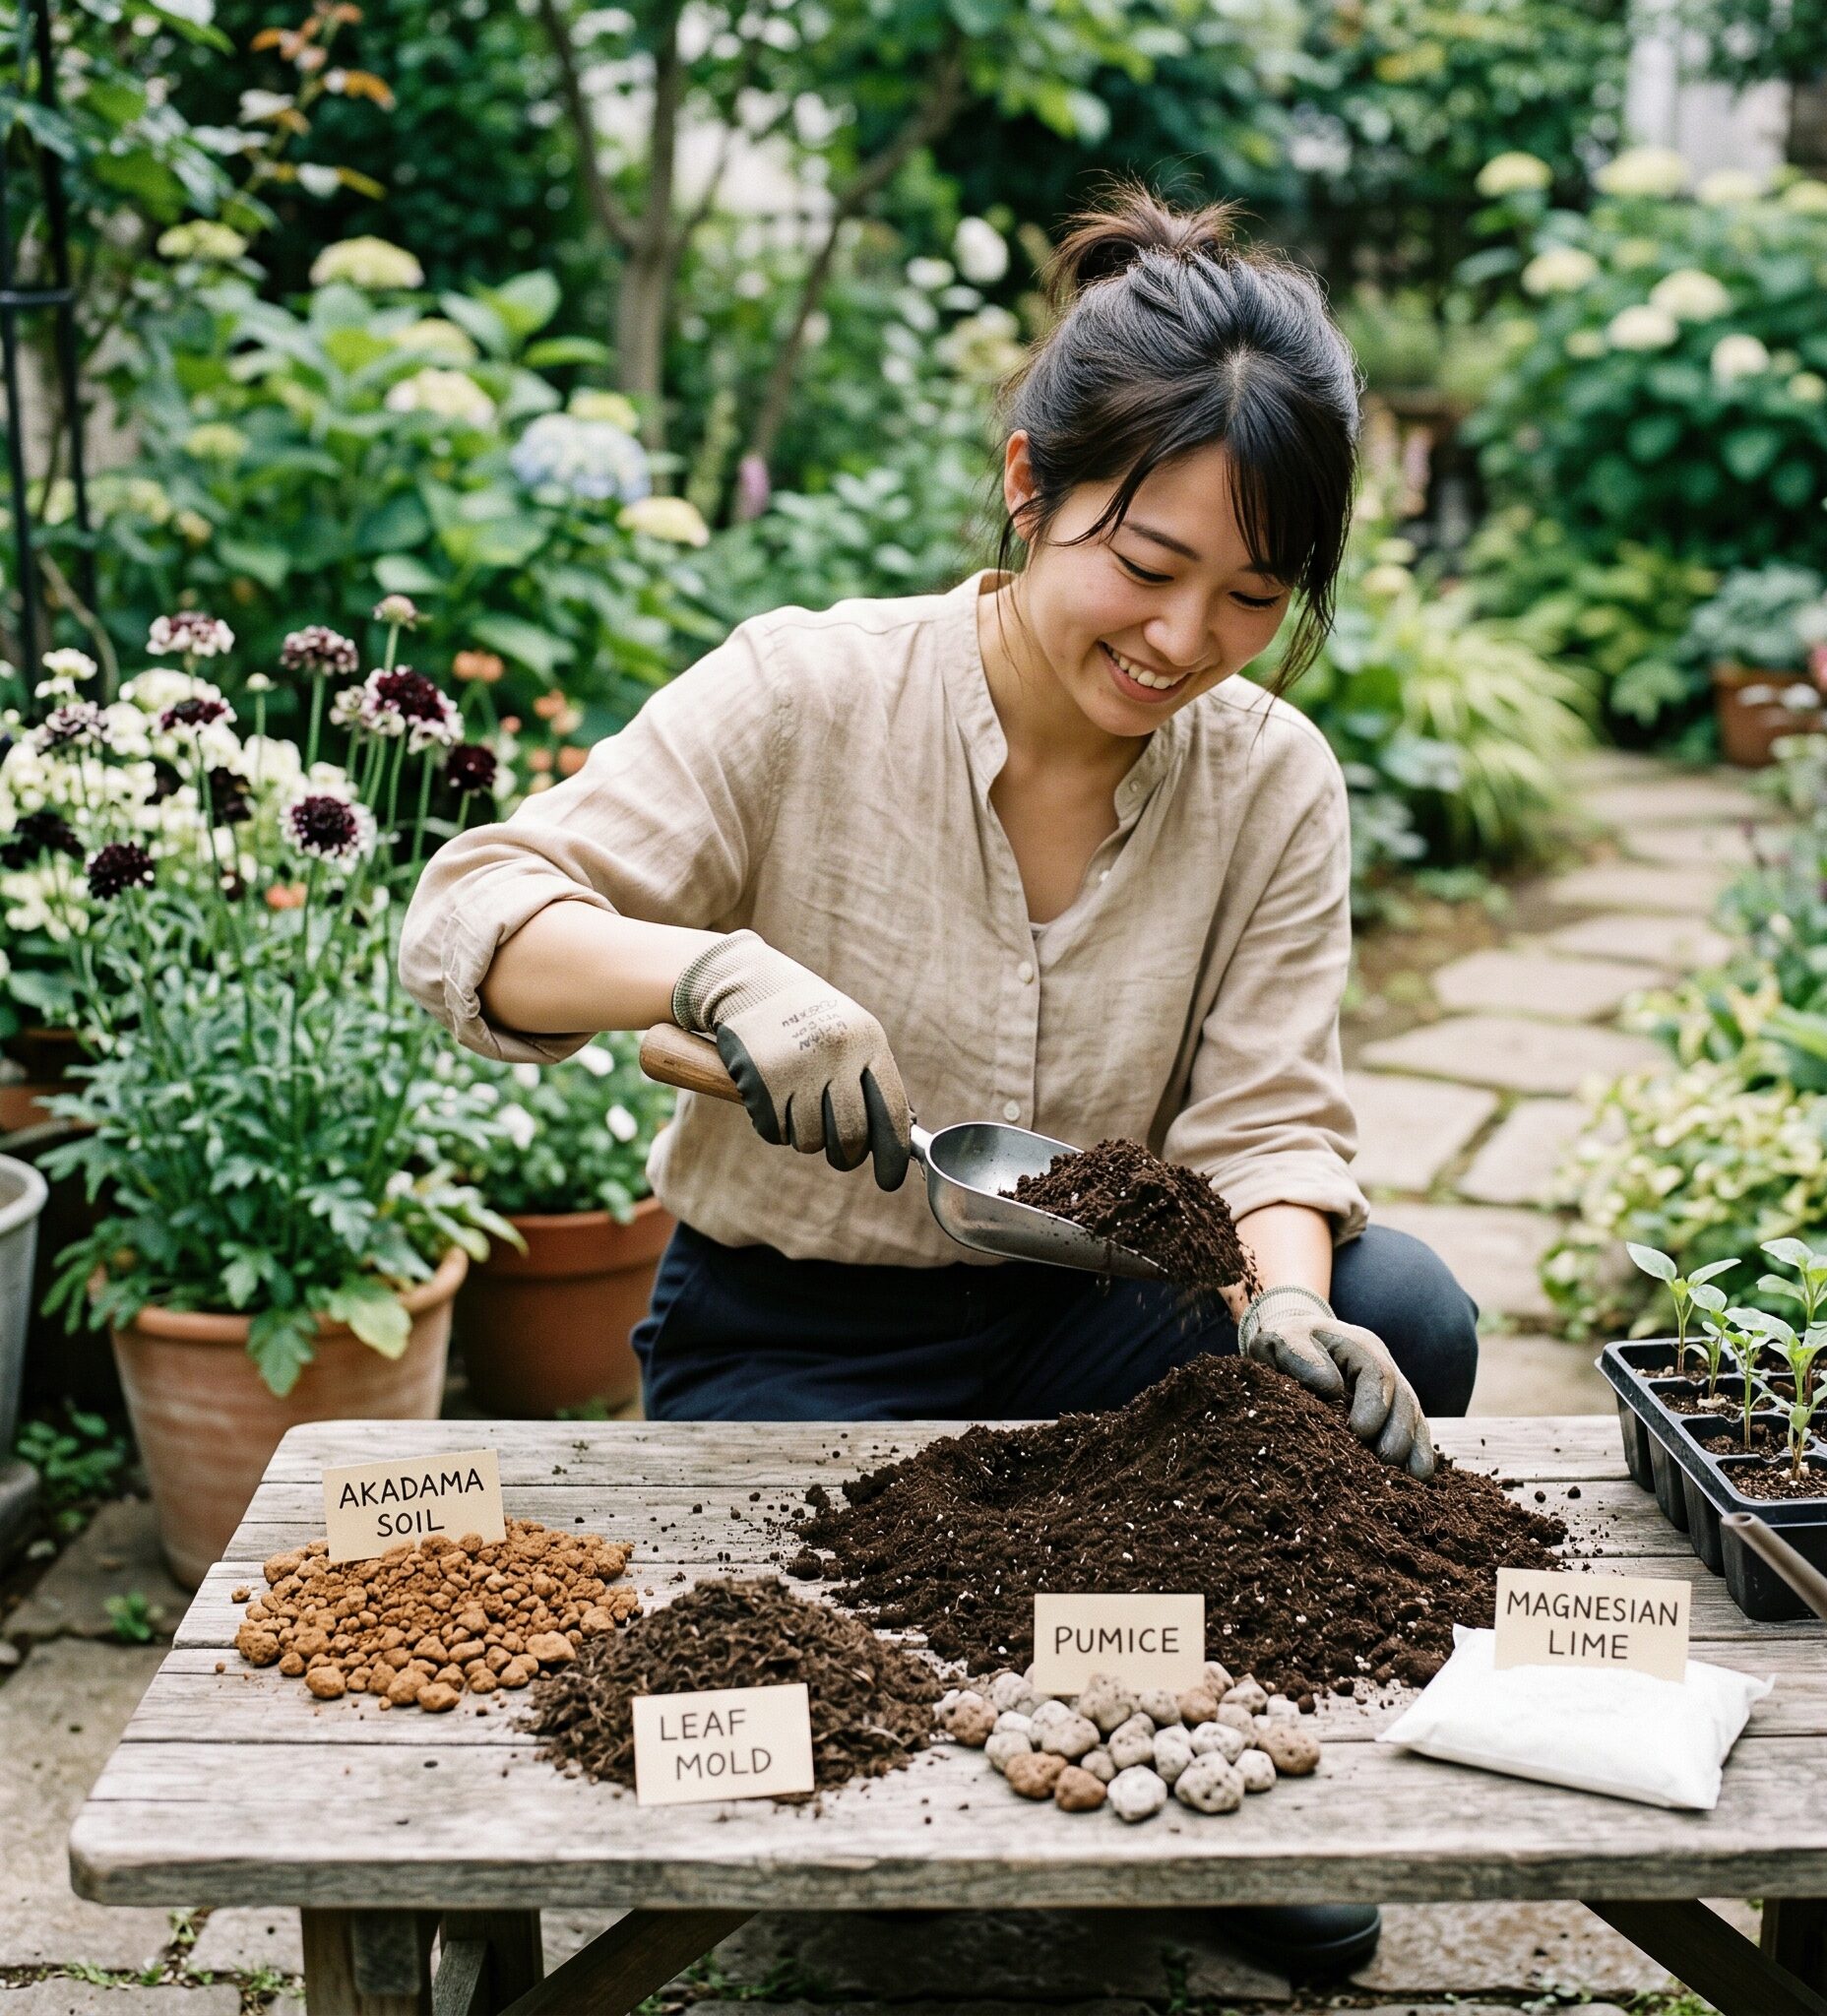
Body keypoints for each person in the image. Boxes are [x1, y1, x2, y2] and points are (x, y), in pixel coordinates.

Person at [403, 181, 1478, 1984]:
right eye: (1144, 567)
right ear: (1028, 483)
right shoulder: (806, 695)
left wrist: (1281, 1307)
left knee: (1396, 1314)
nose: (1182, 640)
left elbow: (1270, 1127)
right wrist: (709, 966)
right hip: (796, 1336)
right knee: (836, 1685)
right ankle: (1036, 1746)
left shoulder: (1272, 781)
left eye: (1251, 596)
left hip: (1104, 1333)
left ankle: (1186, 1787)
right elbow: (470, 921)